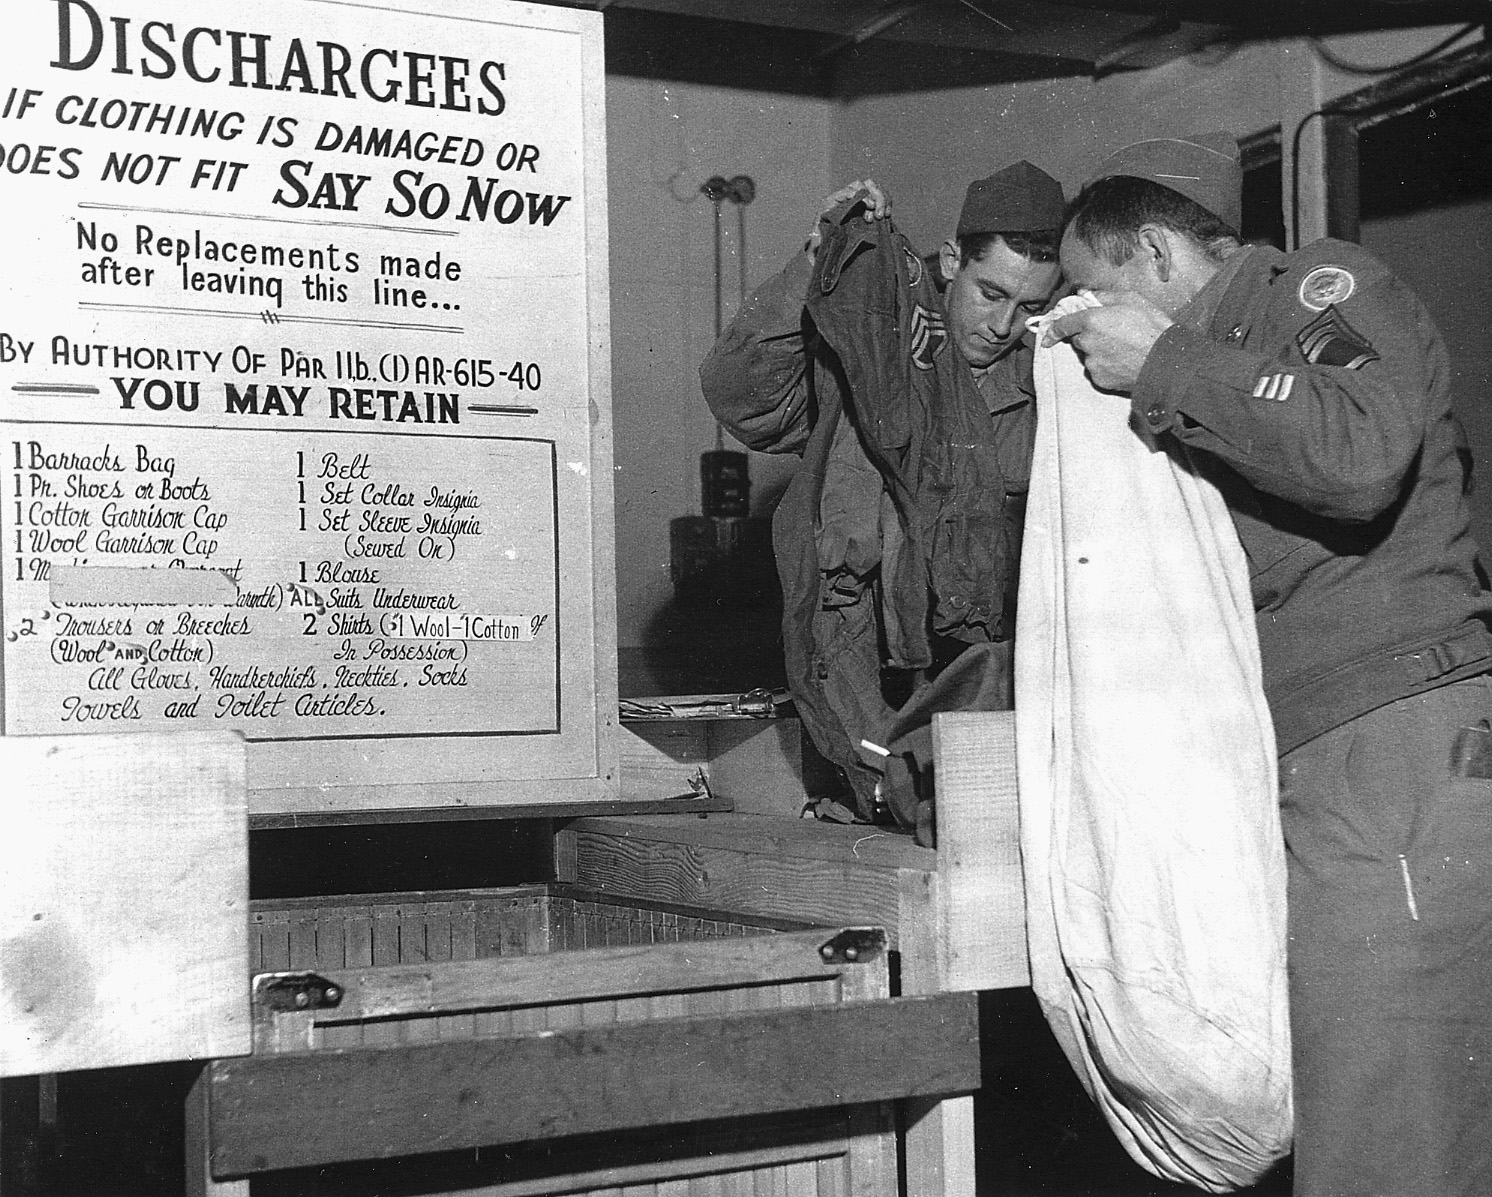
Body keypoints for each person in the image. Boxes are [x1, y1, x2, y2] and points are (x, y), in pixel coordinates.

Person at [1046, 132, 1492, 1197]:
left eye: (1087, 294)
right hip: (1315, 753)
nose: (1078, 328)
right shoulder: (1216, 384)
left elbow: (1360, 453)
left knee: (1387, 1141)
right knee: (1364, 1109)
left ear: (1154, 256)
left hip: (1387, 747)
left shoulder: (1316, 290)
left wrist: (1162, 362)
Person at [700, 163, 1065, 834]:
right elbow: (742, 402)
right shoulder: (869, 354)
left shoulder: (1052, 391)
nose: (1003, 323)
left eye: (1030, 307)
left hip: (987, 690)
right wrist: (819, 263)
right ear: (953, 259)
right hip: (864, 681)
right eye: (990, 293)